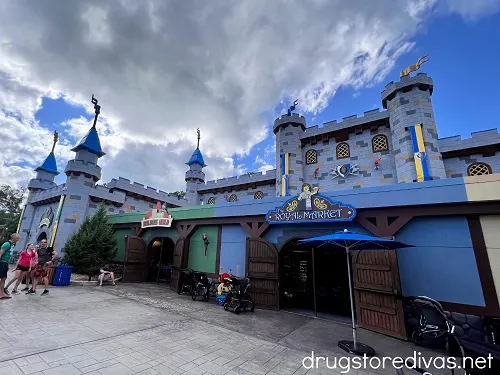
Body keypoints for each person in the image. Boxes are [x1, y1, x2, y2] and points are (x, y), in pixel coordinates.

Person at [0, 233, 19, 299]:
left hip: (5, 263)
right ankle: (1, 293)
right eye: (17, 238)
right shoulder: (7, 244)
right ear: (13, 238)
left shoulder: (12, 245)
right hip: (2, 263)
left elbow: (8, 256)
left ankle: (1, 293)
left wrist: (7, 265)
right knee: (2, 278)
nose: (18, 240)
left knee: (3, 278)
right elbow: (0, 253)